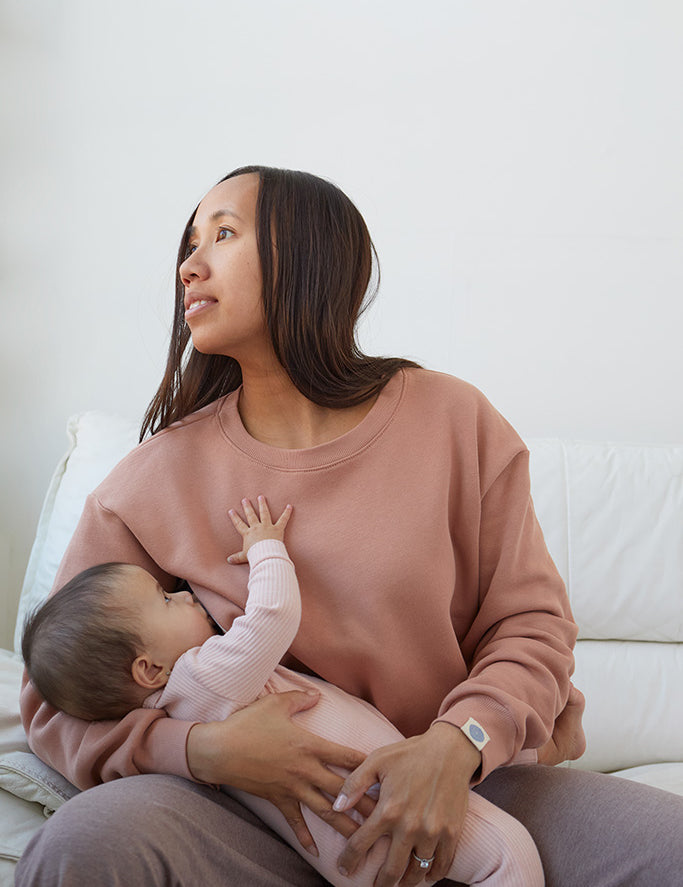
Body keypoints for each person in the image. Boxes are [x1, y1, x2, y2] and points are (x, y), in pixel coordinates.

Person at [16, 166, 683, 887]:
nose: (189, 262)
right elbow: (55, 700)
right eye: (189, 241)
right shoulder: (150, 480)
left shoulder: (451, 421)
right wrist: (203, 750)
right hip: (243, 811)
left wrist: (456, 744)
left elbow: (530, 627)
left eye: (224, 233)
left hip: (462, 785)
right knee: (84, 843)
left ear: (306, 256)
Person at [22, 496, 546, 887]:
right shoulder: (206, 677)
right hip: (379, 805)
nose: (183, 595)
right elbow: (273, 616)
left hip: (347, 841)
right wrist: (265, 548)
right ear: (147, 670)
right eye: (164, 599)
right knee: (510, 856)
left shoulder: (180, 700)